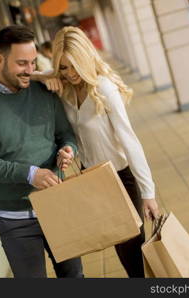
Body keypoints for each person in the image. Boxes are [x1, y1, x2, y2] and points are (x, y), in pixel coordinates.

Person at [0, 25, 83, 278]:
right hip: (15, 219)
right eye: (22, 63)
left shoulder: (44, 91)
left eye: (33, 62)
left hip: (57, 205)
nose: (30, 70)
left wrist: (68, 149)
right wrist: (30, 174)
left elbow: (65, 134)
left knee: (75, 279)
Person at [36, 26, 160, 278]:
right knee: (120, 246)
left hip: (121, 177)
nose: (69, 74)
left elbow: (130, 141)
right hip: (91, 178)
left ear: (84, 59)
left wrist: (149, 193)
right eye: (62, 67)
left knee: (132, 251)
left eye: (73, 66)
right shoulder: (66, 88)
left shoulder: (104, 88)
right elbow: (36, 73)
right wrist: (44, 77)